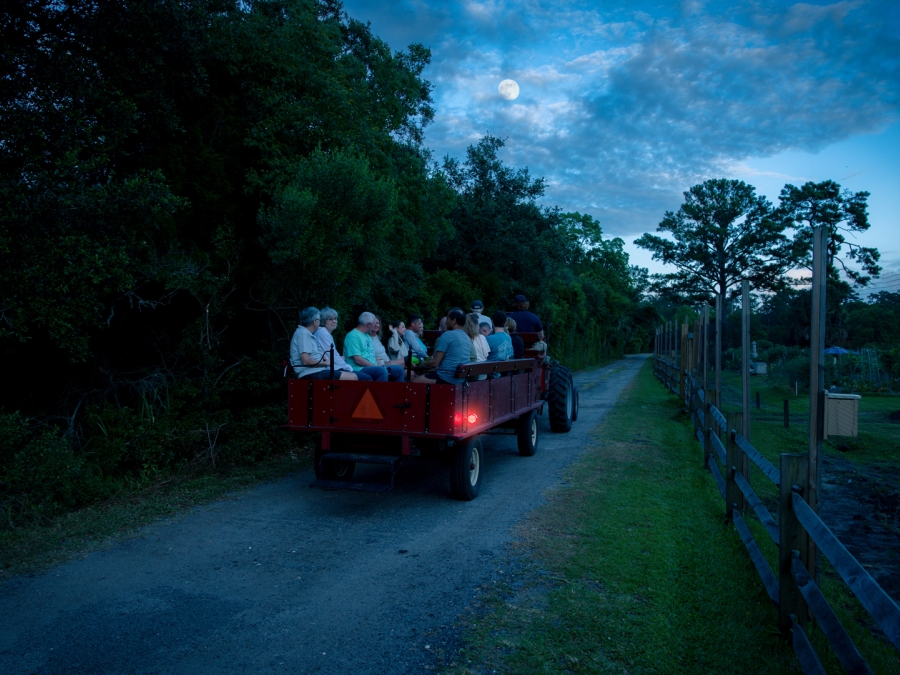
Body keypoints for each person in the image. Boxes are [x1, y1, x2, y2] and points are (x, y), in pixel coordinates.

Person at [290, 307, 358, 380]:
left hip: (316, 371)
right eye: (319, 320)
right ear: (314, 322)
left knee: (350, 375)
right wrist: (326, 363)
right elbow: (306, 361)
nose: (320, 323)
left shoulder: (306, 333)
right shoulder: (303, 334)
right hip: (310, 373)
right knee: (353, 377)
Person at [411, 309, 472, 384]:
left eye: (448, 319)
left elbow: (435, 362)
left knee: (413, 381)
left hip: (447, 378)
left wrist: (418, 367)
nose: (446, 322)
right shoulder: (466, 337)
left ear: (454, 321)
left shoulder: (447, 335)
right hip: (460, 379)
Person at [315, 306, 374, 381]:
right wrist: (348, 367)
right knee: (366, 378)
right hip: (328, 369)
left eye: (335, 319)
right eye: (330, 319)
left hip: (331, 367)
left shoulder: (324, 333)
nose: (334, 321)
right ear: (323, 321)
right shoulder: (323, 333)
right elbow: (333, 356)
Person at [343, 312, 402, 382]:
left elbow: (374, 355)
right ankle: (380, 393)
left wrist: (381, 367)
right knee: (382, 371)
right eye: (373, 324)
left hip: (373, 366)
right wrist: (377, 367)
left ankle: (397, 393)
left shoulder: (367, 336)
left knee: (399, 370)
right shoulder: (353, 336)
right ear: (368, 325)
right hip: (359, 368)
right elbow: (358, 360)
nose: (374, 326)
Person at [370, 315, 405, 380]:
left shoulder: (377, 337)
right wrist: (394, 332)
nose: (375, 325)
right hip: (383, 363)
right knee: (407, 361)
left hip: (388, 361)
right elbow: (395, 349)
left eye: (377, 323)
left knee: (410, 366)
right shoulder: (367, 338)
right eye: (373, 323)